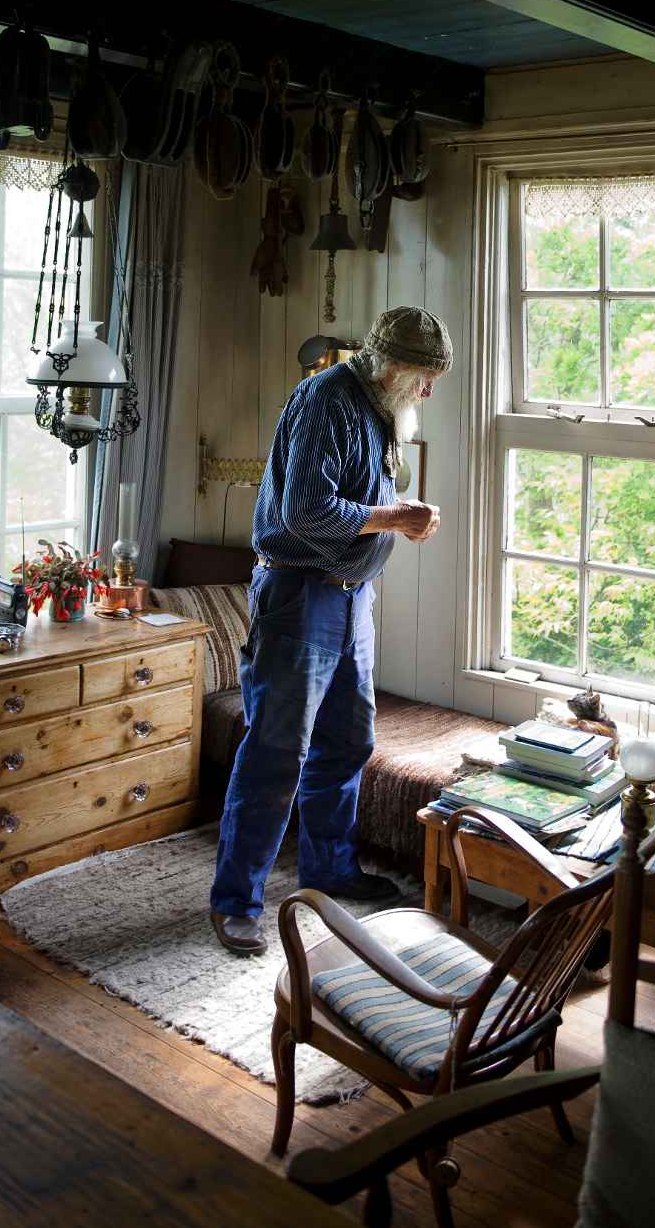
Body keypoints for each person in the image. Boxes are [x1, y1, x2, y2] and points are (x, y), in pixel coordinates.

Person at [210, 307, 453, 954]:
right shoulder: (327, 400)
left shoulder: (384, 409)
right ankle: (237, 900)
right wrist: (397, 516)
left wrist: (392, 521)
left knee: (348, 740)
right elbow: (307, 511)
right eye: (425, 377)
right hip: (299, 596)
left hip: (352, 598)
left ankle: (329, 869)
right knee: (275, 755)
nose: (429, 391)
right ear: (395, 366)